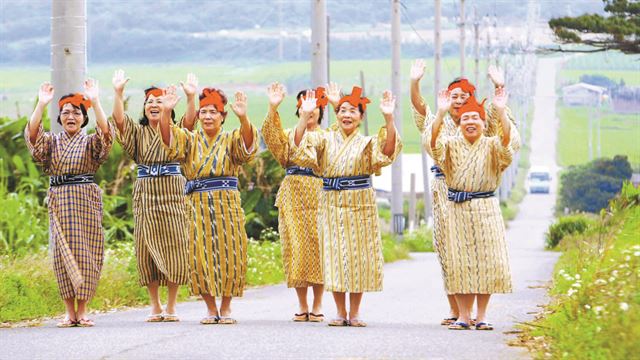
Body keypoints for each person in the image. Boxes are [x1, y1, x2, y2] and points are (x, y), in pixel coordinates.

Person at [410, 59, 520, 326]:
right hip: (444, 189)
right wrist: (415, 82)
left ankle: (475, 314)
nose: (459, 101)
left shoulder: (484, 123)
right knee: (449, 250)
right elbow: (421, 114)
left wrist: (499, 86)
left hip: (480, 190)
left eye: (464, 96)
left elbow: (504, 129)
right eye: (454, 96)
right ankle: (457, 311)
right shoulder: (441, 121)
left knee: (482, 253)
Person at [291, 86, 402, 327]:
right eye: (342, 110)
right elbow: (300, 148)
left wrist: (389, 118)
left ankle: (355, 312)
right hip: (331, 200)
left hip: (359, 202)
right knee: (335, 255)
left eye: (352, 111)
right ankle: (340, 312)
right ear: (336, 114)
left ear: (361, 117)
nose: (346, 115)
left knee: (357, 257)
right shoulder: (324, 138)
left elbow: (388, 151)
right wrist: (303, 116)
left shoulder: (367, 142)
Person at [158, 86, 258, 325]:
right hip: (197, 203)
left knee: (231, 253)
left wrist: (244, 117)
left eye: (214, 112)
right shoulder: (190, 139)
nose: (208, 117)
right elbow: (169, 140)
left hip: (227, 202)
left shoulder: (230, 137)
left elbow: (247, 146)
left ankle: (226, 306)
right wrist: (166, 112)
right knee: (199, 255)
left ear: (223, 116)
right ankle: (210, 307)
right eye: (203, 112)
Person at [25, 80, 114, 327]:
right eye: (65, 113)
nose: (71, 116)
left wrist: (95, 101)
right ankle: (68, 312)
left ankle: (83, 310)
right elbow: (33, 137)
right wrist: (42, 103)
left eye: (76, 112)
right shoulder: (52, 142)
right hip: (60, 199)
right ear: (60, 118)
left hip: (85, 199)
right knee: (61, 254)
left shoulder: (88, 142)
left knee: (87, 252)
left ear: (84, 118)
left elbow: (106, 136)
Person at [111, 70, 198, 322]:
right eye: (149, 102)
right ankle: (155, 305)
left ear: (167, 106)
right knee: (145, 247)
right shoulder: (137, 134)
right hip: (146, 192)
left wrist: (191, 98)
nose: (153, 105)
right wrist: (118, 93)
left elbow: (191, 122)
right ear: (144, 108)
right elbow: (118, 120)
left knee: (175, 244)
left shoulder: (174, 129)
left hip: (172, 191)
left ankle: (171, 306)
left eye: (159, 101)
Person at [261, 82, 326, 322]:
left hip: (318, 191)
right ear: (298, 109)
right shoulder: (289, 134)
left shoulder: (326, 137)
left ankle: (318, 303)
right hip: (292, 192)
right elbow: (271, 136)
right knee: (296, 247)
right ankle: (301, 303)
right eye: (303, 106)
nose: (309, 110)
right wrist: (272, 106)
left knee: (318, 248)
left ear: (321, 110)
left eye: (314, 106)